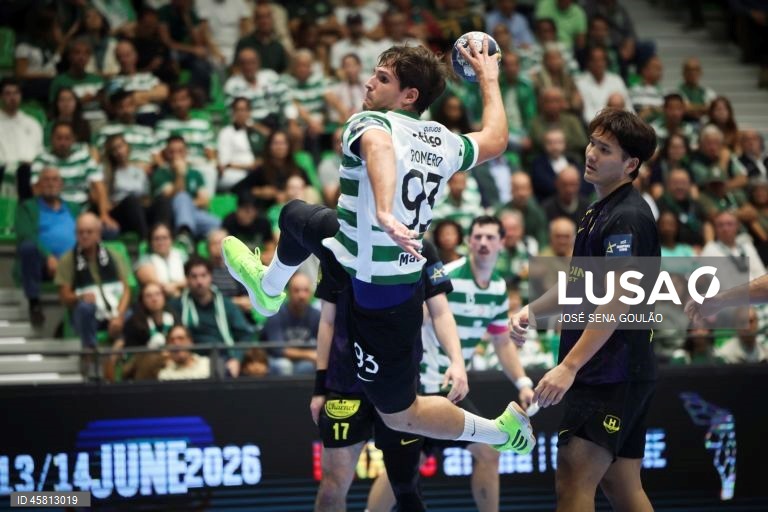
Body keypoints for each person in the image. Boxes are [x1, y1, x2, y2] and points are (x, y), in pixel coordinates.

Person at [222, 43, 535, 452]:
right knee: (296, 216)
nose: (370, 82)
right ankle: (268, 288)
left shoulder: (368, 122)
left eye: (383, 78)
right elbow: (495, 139)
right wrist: (489, 79)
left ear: (410, 96)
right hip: (363, 255)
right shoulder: (443, 140)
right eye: (374, 73)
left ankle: (500, 432)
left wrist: (386, 211)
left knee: (401, 413)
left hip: (381, 297)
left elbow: (379, 148)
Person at [509, 108, 658, 512]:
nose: (591, 153)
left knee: (574, 481)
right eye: (592, 143)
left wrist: (570, 366)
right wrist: (532, 311)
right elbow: (580, 284)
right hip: (623, 372)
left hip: (609, 372)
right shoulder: (597, 211)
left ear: (630, 164)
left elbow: (617, 297)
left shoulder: (626, 217)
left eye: (604, 149)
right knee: (622, 486)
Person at [369, 216, 536, 512]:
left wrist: (522, 382)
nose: (483, 242)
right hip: (419, 384)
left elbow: (500, 343)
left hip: (449, 388)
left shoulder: (498, 288)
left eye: (489, 237)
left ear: (502, 242)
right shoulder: (447, 274)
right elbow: (415, 316)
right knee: (406, 463)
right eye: (477, 236)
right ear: (469, 242)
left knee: (487, 452)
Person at [313, 239, 465, 512]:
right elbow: (327, 319)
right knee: (331, 488)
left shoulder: (422, 247)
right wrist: (318, 387)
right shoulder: (341, 244)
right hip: (346, 384)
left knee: (407, 489)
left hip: (398, 384)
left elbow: (440, 311)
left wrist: (457, 361)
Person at [55, 213, 131, 350]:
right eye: (80, 232)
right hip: (87, 315)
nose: (84, 236)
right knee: (85, 308)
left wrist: (119, 316)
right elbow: (63, 296)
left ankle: (122, 353)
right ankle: (90, 353)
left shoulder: (114, 256)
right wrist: (80, 297)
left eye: (89, 232)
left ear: (98, 234)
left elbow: (126, 290)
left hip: (113, 310)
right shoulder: (67, 260)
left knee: (134, 315)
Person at [170, 256, 254, 378]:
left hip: (223, 357)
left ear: (211, 277)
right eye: (194, 276)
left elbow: (245, 335)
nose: (199, 281)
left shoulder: (226, 305)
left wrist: (236, 359)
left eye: (203, 275)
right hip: (188, 360)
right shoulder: (176, 305)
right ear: (187, 279)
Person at [16, 168, 77, 327]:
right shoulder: (27, 207)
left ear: (61, 184)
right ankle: (34, 303)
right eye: (46, 180)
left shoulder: (73, 207)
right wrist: (48, 256)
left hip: (74, 262)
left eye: (55, 179)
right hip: (43, 266)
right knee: (28, 247)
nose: (51, 183)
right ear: (38, 185)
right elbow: (26, 234)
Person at [261, 273, 320, 375]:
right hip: (276, 359)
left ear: (311, 293)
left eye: (305, 290)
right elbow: (278, 350)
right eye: (296, 290)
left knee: (308, 367)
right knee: (284, 366)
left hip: (304, 361)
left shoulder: (316, 315)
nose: (301, 295)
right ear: (288, 293)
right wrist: (310, 355)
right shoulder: (276, 314)